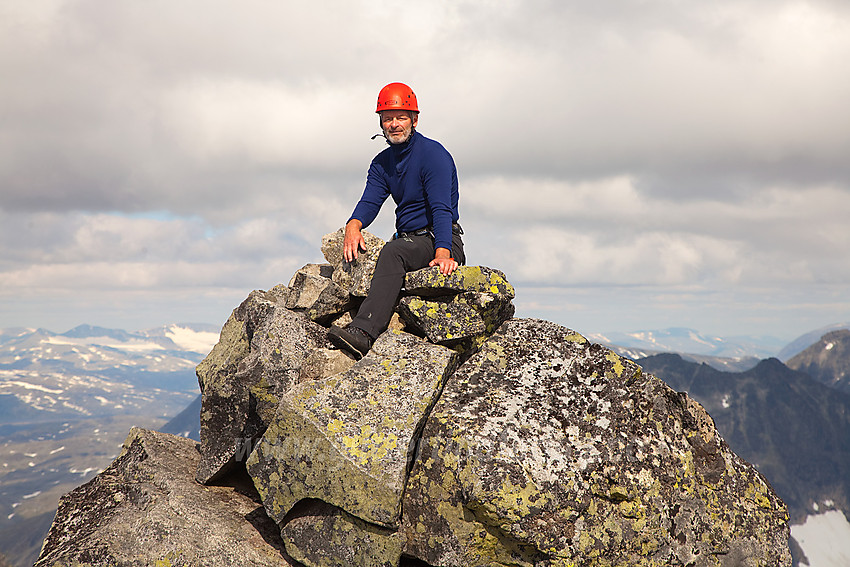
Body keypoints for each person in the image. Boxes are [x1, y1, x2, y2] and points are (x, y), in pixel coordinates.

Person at [329, 82, 465, 359]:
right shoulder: (382, 163)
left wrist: (443, 252)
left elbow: (442, 209)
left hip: (441, 237)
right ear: (380, 122)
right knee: (384, 250)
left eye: (400, 117)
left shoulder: (433, 155)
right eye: (387, 118)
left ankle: (364, 333)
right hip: (409, 239)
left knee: (393, 252)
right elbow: (370, 201)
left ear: (415, 119)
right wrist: (353, 225)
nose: (394, 124)